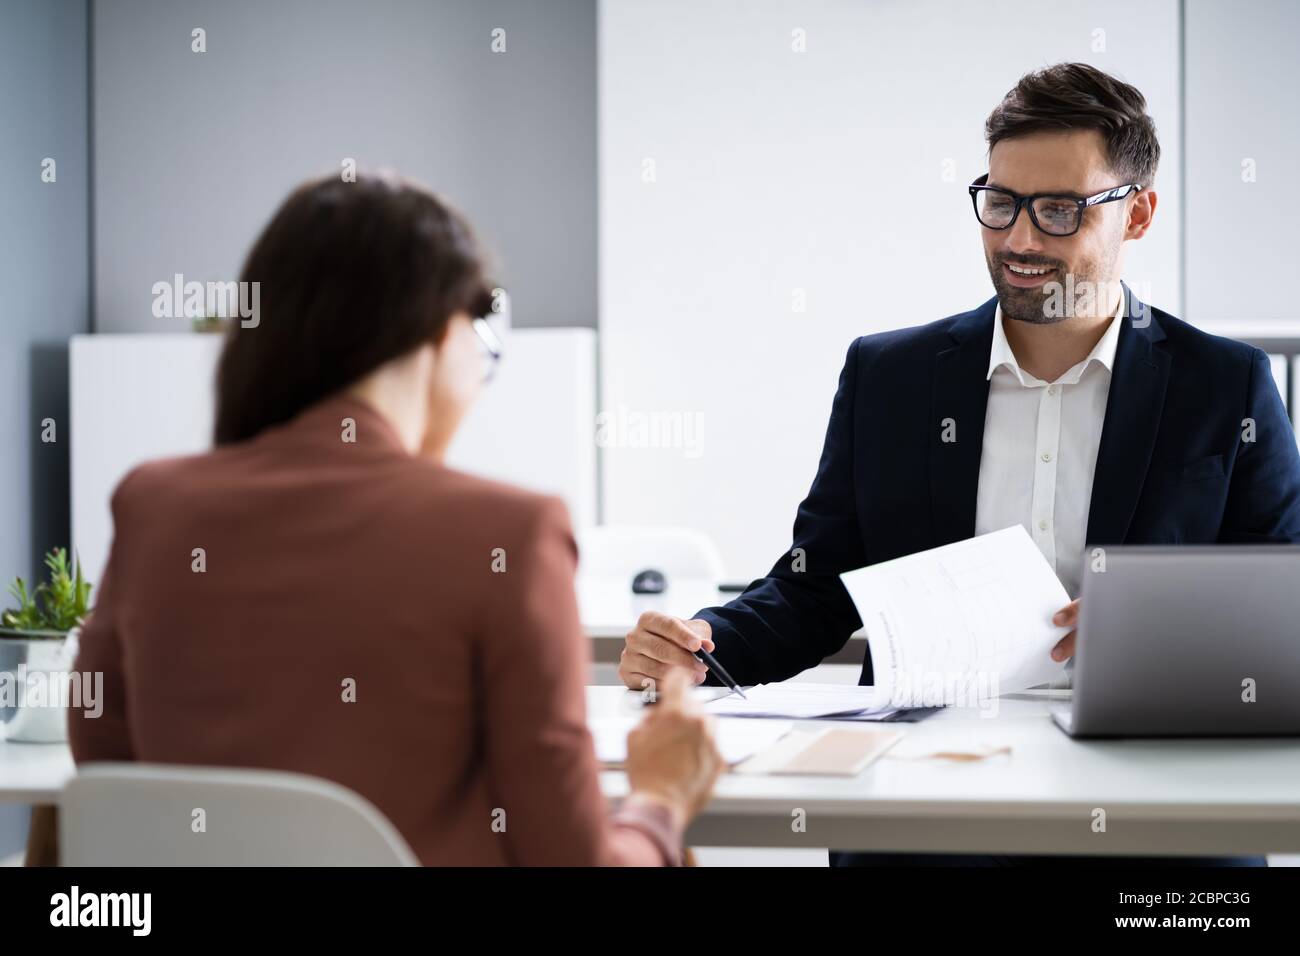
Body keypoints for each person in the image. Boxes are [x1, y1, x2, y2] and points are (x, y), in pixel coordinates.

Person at [617, 63, 1300, 866]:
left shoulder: (1224, 385)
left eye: (1058, 211)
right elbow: (814, 586)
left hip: (1152, 796)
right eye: (1001, 203)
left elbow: (1280, 601)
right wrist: (703, 643)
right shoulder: (892, 377)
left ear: (1138, 213)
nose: (1018, 240)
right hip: (926, 791)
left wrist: (1166, 631)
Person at [66, 171, 722, 866]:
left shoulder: (153, 506)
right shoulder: (510, 534)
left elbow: (110, 781)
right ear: (445, 334)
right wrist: (661, 799)